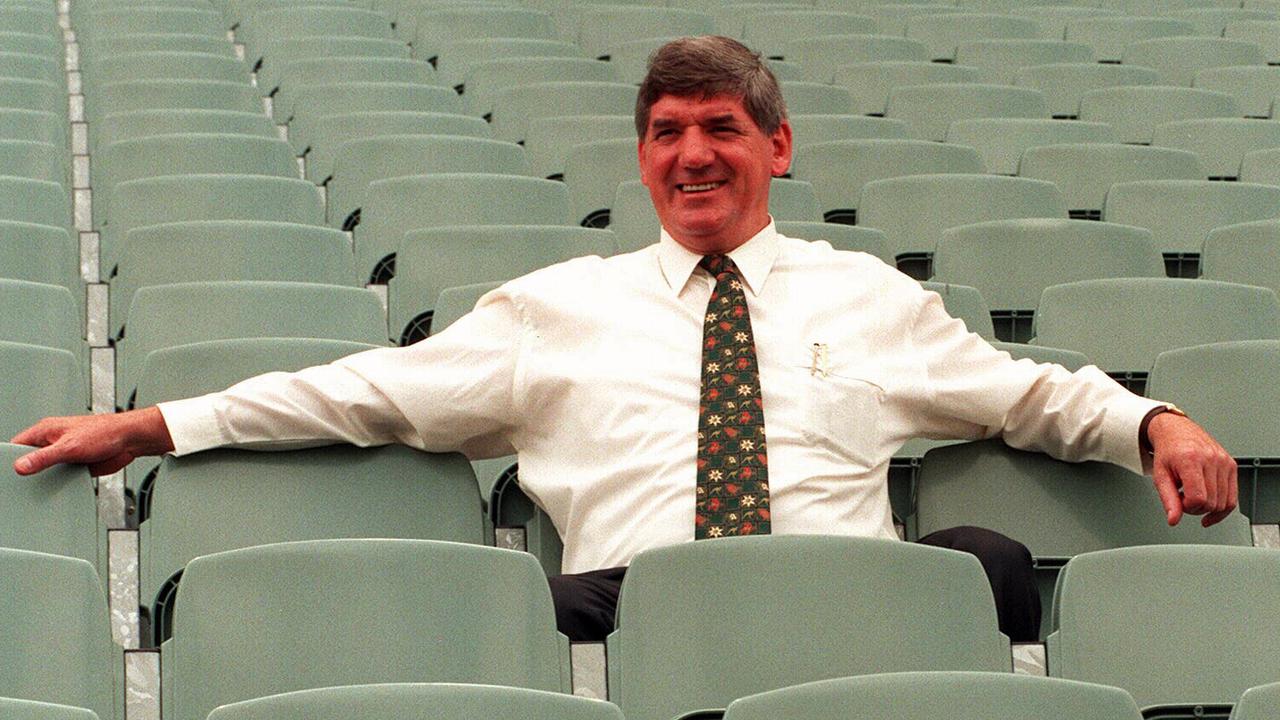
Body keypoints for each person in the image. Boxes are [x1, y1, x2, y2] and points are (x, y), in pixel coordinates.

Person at [13, 36, 1237, 644]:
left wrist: (1153, 418)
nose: (691, 152)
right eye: (664, 131)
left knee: (980, 562)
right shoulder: (557, 308)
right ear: (642, 157)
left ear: (776, 147)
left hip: (843, 591)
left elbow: (1019, 394)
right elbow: (366, 391)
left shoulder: (864, 293)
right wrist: (153, 421)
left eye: (717, 126)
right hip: (637, 607)